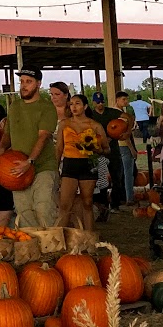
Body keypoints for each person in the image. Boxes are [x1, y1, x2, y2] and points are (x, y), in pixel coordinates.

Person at [0, 69, 58, 227]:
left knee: (44, 209)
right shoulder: (15, 106)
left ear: (38, 84)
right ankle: (32, 242)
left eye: (28, 82)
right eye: (22, 82)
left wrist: (29, 161)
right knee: (24, 213)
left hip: (42, 166)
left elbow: (43, 137)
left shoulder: (47, 107)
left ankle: (50, 241)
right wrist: (1, 149)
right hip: (17, 168)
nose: (23, 86)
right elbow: (8, 133)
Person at [56, 90, 106, 232]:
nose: (74, 107)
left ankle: (89, 236)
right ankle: (60, 236)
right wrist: (55, 168)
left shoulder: (95, 125)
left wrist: (95, 149)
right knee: (65, 204)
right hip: (69, 164)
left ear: (85, 106)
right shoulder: (64, 124)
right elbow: (59, 148)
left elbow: (106, 149)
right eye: (71, 104)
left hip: (88, 165)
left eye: (77, 103)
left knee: (87, 202)